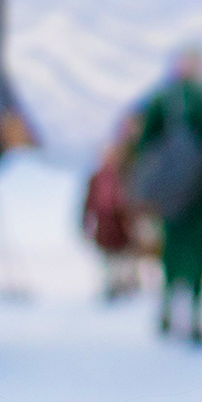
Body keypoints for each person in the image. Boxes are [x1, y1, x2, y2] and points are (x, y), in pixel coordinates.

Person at [129, 46, 202, 345]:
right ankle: (196, 316)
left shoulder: (162, 100)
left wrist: (146, 186)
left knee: (171, 249)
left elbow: (144, 147)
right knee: (199, 252)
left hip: (170, 192)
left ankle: (167, 309)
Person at [80, 118, 142, 304]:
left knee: (124, 256)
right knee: (109, 257)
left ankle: (125, 284)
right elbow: (88, 202)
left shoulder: (126, 173)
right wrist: (85, 222)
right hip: (105, 222)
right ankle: (112, 286)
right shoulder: (96, 177)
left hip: (122, 221)